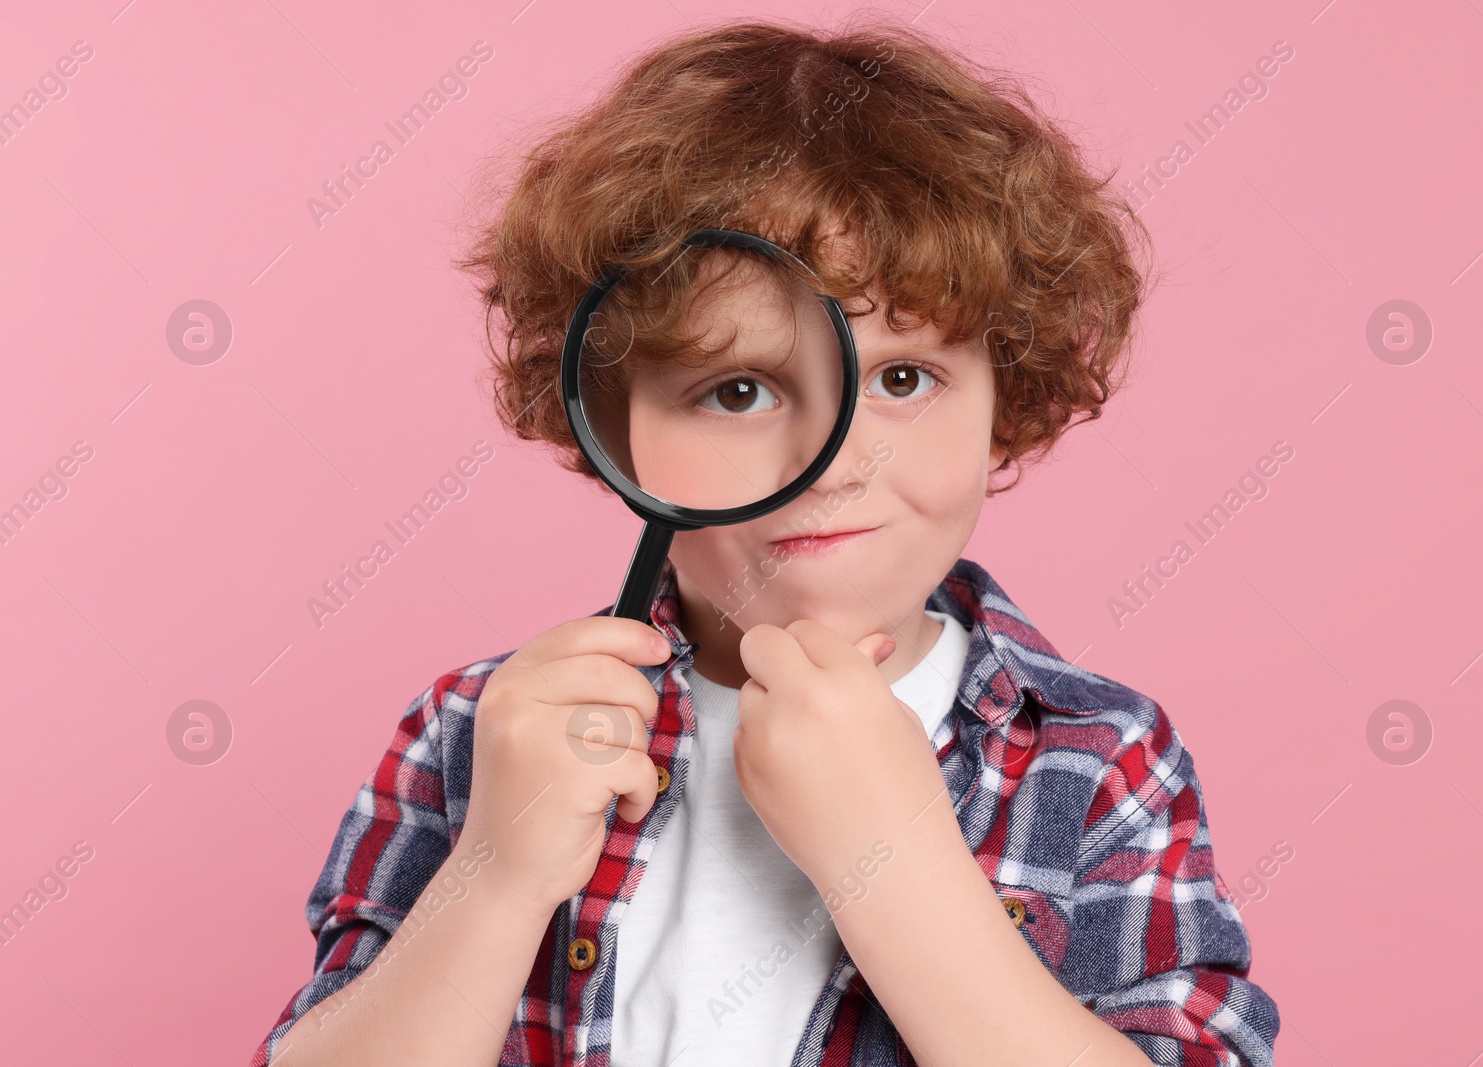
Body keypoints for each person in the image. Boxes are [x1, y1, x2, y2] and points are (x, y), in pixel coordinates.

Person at [251, 18, 1279, 1067]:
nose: (834, 463)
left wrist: (891, 866)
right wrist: (497, 873)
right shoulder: (483, 731)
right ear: (611, 426)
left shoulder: (1094, 758)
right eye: (737, 389)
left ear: (1003, 392)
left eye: (901, 379)